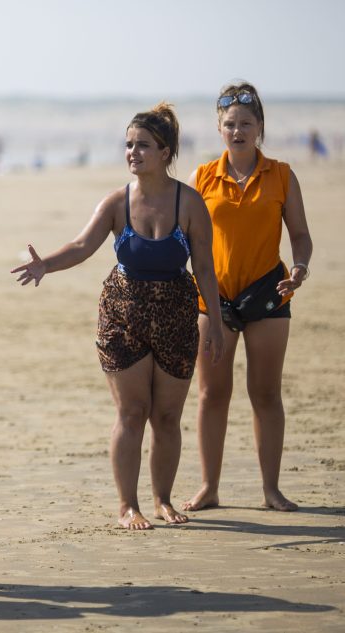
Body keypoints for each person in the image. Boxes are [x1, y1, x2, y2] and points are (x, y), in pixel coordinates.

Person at [11, 103, 225, 530]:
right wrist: (44, 265)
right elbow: (81, 245)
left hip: (177, 315)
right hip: (122, 314)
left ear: (165, 152)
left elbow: (203, 267)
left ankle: (163, 499)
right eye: (128, 145)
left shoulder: (190, 202)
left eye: (142, 145)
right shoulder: (116, 202)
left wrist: (215, 322)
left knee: (166, 416)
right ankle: (128, 505)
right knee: (132, 411)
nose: (132, 152)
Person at [183, 82, 313, 513]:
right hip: (213, 296)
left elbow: (300, 236)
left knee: (265, 393)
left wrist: (298, 269)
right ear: (219, 128)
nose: (237, 131)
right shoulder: (202, 176)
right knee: (211, 394)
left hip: (268, 294)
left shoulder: (281, 174)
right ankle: (208, 487)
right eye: (229, 124)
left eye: (245, 123)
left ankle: (271, 490)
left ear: (259, 127)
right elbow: (181, 236)